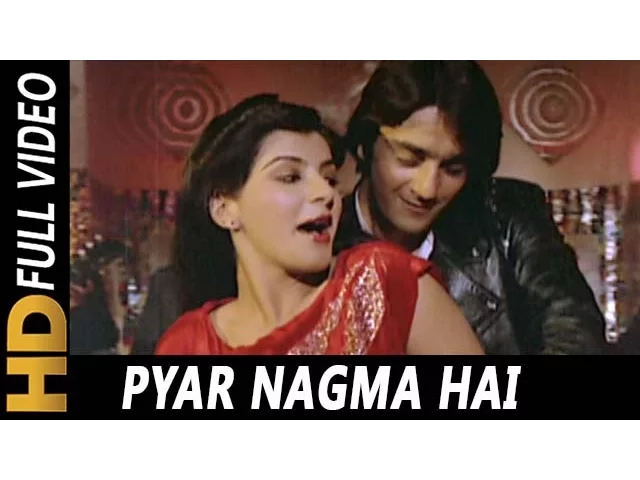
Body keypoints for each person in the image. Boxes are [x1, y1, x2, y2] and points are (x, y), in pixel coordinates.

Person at [155, 93, 484, 355]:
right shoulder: (187, 344)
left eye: (329, 178)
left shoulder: (385, 283)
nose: (325, 193)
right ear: (224, 208)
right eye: (290, 177)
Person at [337, 60, 607, 355]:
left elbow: (575, 332)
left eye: (453, 169)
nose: (427, 189)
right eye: (410, 159)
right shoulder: (320, 241)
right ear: (366, 145)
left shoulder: (505, 215)